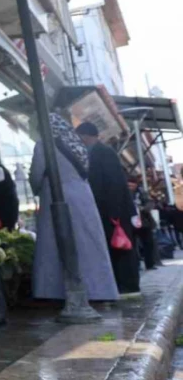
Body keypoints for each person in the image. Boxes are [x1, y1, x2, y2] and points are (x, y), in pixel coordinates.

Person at [30, 113, 118, 302]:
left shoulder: (44, 145)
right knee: (88, 243)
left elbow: (37, 174)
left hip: (56, 195)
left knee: (55, 244)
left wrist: (36, 188)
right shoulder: (76, 143)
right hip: (84, 198)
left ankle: (55, 293)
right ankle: (100, 292)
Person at [76, 122, 140, 294]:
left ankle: (128, 286)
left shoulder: (103, 153)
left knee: (121, 247)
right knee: (117, 247)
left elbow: (115, 184)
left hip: (114, 212)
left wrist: (114, 213)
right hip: (110, 211)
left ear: (85, 136)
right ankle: (123, 285)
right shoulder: (98, 152)